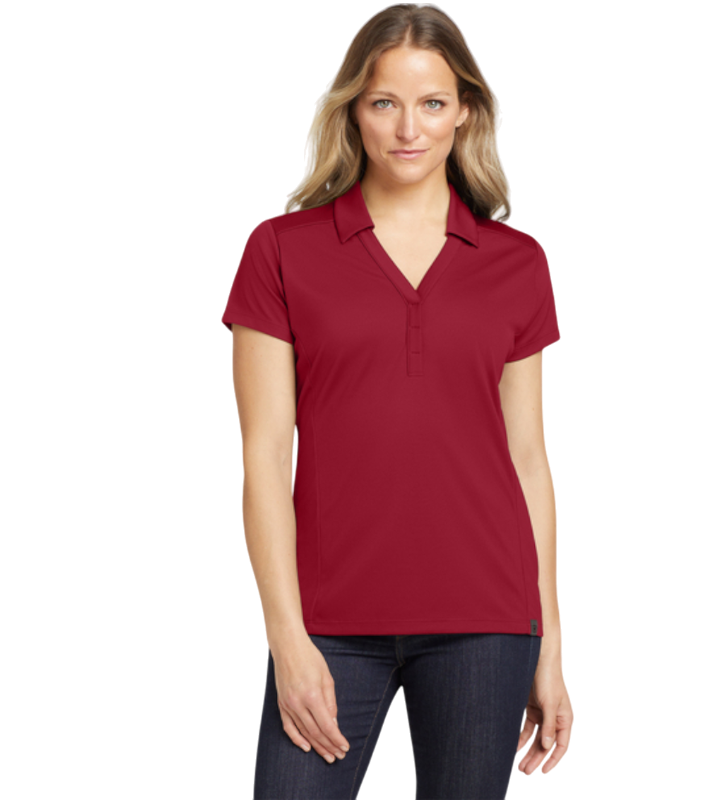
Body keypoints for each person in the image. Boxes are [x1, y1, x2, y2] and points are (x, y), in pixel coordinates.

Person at [221, 4, 573, 798]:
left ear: (466, 112)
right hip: (328, 621)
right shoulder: (280, 249)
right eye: (384, 102)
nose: (409, 129)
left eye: (432, 103)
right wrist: (285, 637)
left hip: (486, 618)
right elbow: (263, 454)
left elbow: (528, 460)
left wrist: (549, 646)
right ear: (353, 109)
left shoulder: (518, 262)